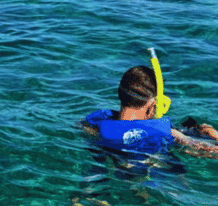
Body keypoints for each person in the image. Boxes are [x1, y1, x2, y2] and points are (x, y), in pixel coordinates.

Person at [83, 49, 218, 158]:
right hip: (156, 173)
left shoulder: (95, 125)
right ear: (152, 104)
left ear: (119, 94)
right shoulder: (168, 132)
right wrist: (213, 134)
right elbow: (208, 150)